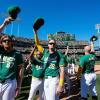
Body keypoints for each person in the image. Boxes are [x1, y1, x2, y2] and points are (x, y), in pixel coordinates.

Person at [0, 17, 23, 100]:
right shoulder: (0, 51)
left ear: (11, 42)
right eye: (4, 41)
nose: (6, 42)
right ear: (1, 43)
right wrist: (4, 24)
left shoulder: (17, 54)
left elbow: (20, 70)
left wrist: (19, 86)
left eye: (8, 40)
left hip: (10, 82)